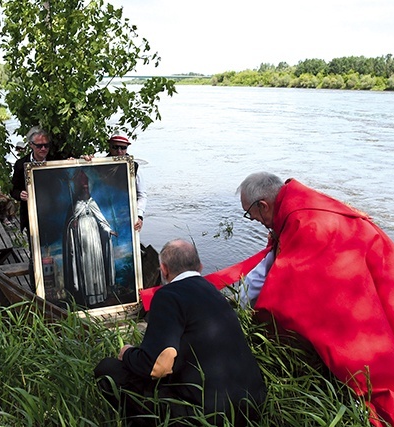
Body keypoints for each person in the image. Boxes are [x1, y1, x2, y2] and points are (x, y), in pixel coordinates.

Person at [236, 172, 394, 427]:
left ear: (262, 205)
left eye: (250, 214)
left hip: (379, 272)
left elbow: (286, 297)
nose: (254, 220)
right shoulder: (298, 201)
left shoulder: (304, 222)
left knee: (372, 360)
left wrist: (258, 327)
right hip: (385, 265)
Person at [94, 239, 267, 426]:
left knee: (108, 370)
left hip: (209, 417)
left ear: (164, 269)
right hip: (253, 405)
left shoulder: (168, 295)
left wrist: (127, 353)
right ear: (200, 267)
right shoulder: (213, 292)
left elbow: (156, 367)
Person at [63, 169, 118, 307]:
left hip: (95, 239)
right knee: (86, 264)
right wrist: (72, 223)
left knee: (97, 264)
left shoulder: (93, 202)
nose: (85, 189)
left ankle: (100, 296)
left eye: (87, 187)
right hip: (82, 240)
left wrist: (108, 230)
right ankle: (87, 298)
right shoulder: (74, 205)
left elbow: (101, 220)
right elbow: (68, 224)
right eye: (83, 188)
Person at [10, 126, 54, 233]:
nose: (43, 149)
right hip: (32, 217)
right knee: (35, 248)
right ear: (31, 145)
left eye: (46, 145)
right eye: (39, 146)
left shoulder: (56, 161)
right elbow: (13, 190)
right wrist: (20, 194)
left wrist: (84, 161)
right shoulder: (21, 165)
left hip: (54, 214)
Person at [107, 135, 147, 231]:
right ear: (110, 147)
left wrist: (139, 215)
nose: (119, 151)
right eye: (115, 147)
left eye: (123, 148)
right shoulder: (98, 165)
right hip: (106, 212)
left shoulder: (134, 167)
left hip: (126, 213)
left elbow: (142, 195)